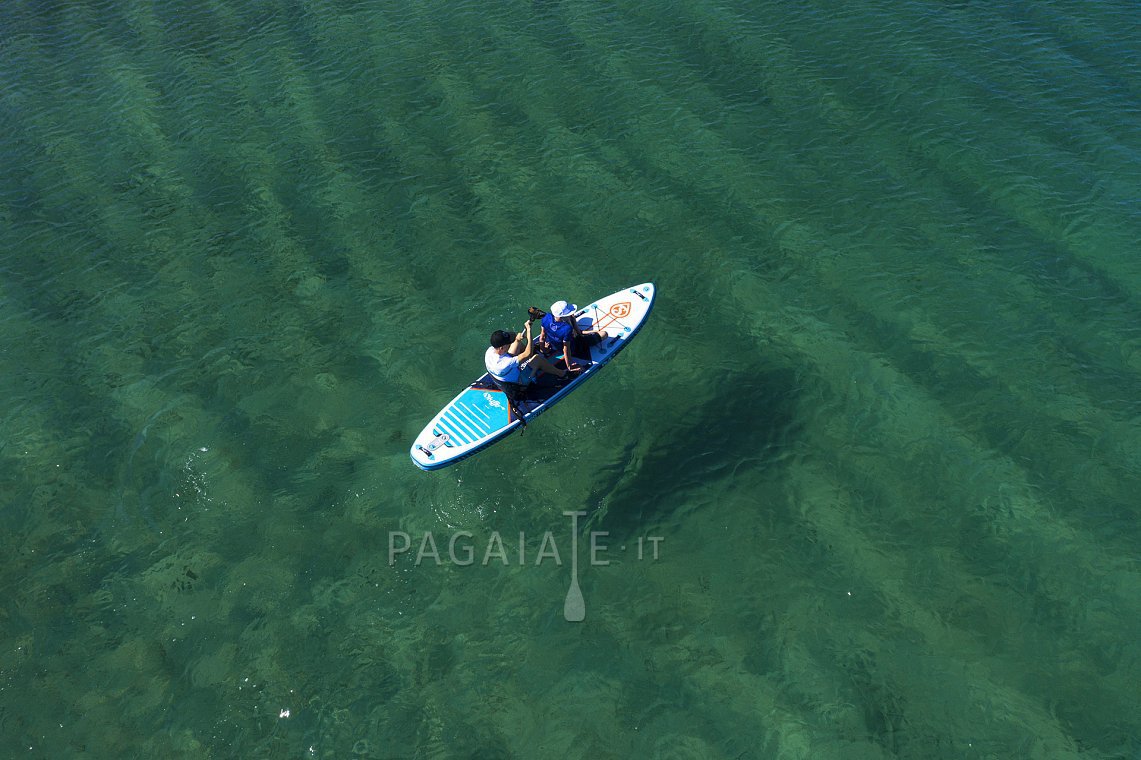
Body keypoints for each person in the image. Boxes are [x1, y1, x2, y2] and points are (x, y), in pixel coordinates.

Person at [484, 315, 567, 396]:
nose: (510, 343)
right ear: (501, 347)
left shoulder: (490, 351)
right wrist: (529, 331)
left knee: (517, 343)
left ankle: (532, 362)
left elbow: (510, 352)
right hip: (519, 384)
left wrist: (516, 340)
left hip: (504, 374)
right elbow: (528, 353)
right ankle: (562, 374)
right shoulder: (504, 363)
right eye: (508, 343)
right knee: (537, 359)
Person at [538, 300, 608, 373]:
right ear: (563, 316)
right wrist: (569, 366)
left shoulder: (546, 317)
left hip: (553, 345)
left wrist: (543, 349)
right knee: (604, 334)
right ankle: (581, 331)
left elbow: (542, 336)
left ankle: (579, 331)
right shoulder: (567, 329)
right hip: (574, 348)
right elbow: (566, 349)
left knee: (569, 324)